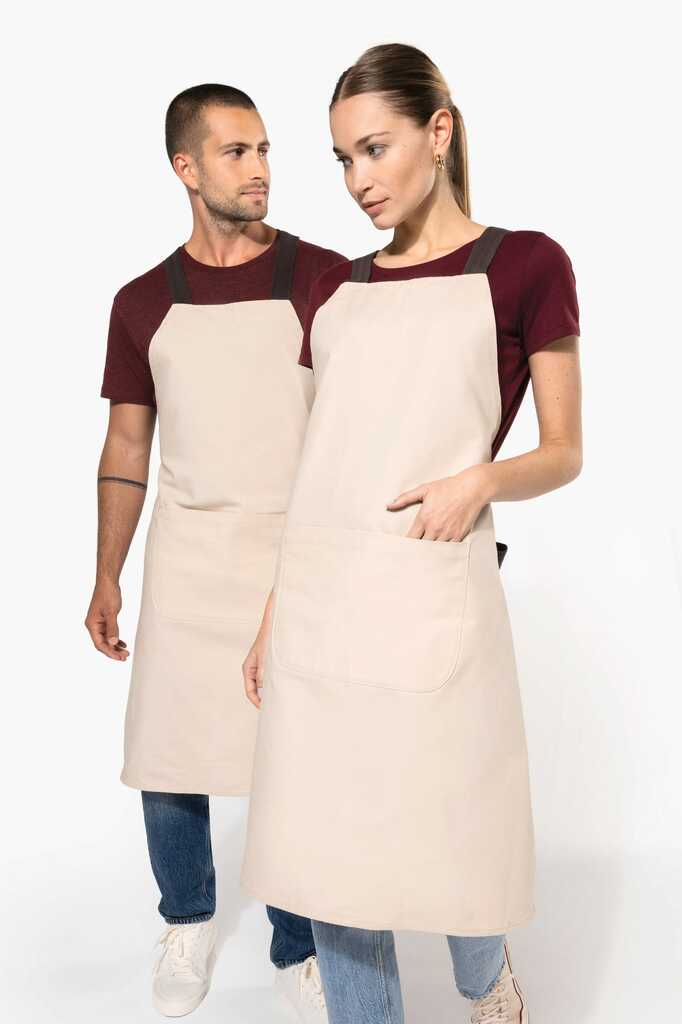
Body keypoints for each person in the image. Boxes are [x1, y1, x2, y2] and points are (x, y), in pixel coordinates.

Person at [240, 43, 582, 1024]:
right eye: (341, 159)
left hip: (430, 589)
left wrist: (480, 481)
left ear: (438, 132)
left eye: (375, 148)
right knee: (330, 853)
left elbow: (564, 451)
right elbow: (314, 468)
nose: (358, 180)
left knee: (446, 821)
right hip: (322, 603)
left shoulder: (524, 265)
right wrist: (271, 613)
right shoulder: (332, 290)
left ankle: (486, 981)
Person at [85, 83, 345, 1021]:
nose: (261, 168)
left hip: (293, 552)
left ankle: (299, 941)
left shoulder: (325, 280)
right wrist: (106, 571)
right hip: (187, 556)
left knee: (297, 752)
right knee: (169, 749)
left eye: (266, 148)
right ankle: (188, 916)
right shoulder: (141, 302)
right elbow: (127, 445)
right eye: (237, 152)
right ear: (185, 167)